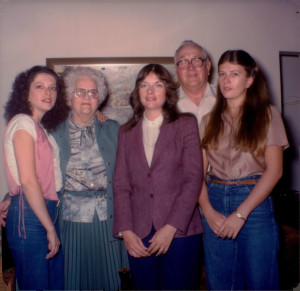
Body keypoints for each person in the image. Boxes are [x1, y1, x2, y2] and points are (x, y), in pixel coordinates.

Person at [198, 50, 289, 290]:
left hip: (254, 203)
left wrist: (240, 214)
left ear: (250, 80)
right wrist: (207, 211)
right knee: (221, 283)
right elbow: (197, 173)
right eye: (223, 74)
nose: (226, 81)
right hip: (214, 199)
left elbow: (275, 171)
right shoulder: (207, 121)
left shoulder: (268, 115)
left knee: (261, 282)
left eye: (235, 74)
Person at [113, 63, 203, 290]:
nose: (150, 92)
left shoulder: (186, 124)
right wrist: (127, 231)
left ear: (168, 90)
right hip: (139, 232)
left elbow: (193, 178)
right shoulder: (125, 132)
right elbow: (121, 184)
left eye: (158, 85)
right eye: (144, 85)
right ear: (137, 92)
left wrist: (171, 227)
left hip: (180, 232)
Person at [52, 66, 128, 291]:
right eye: (80, 92)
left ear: (100, 98)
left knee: (112, 281)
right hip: (71, 222)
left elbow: (131, 174)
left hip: (108, 219)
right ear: (68, 96)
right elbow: (37, 172)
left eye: (93, 92)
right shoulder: (53, 132)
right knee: (74, 280)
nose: (87, 97)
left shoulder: (114, 129)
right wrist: (11, 196)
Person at [2, 65, 69, 290]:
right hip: (31, 217)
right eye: (39, 86)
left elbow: (42, 178)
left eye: (52, 88)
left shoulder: (41, 129)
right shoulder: (23, 122)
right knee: (37, 284)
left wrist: (14, 198)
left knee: (52, 283)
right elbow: (29, 181)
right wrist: (50, 228)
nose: (48, 92)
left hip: (42, 209)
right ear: (25, 93)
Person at [174, 40, 216, 126]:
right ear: (176, 70)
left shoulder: (226, 99)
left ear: (208, 66)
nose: (191, 67)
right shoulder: (167, 103)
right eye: (183, 62)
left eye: (196, 60)